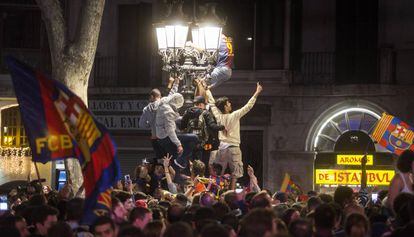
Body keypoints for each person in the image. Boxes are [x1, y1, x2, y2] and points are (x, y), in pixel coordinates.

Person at [206, 82, 263, 189]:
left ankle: (214, 192)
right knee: (234, 176)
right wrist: (257, 92)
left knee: (217, 174)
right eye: (228, 103)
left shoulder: (219, 116)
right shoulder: (234, 115)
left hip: (221, 149)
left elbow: (212, 104)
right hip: (233, 148)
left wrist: (207, 90)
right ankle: (230, 195)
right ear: (225, 106)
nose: (230, 104)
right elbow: (248, 106)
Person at [155, 93, 198, 170]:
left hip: (161, 136)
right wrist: (179, 145)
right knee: (194, 137)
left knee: (182, 149)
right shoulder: (168, 112)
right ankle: (181, 160)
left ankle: (180, 162)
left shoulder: (165, 101)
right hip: (166, 137)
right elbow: (170, 131)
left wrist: (176, 82)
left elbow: (172, 92)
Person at [139, 77, 179, 159]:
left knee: (160, 162)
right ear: (159, 96)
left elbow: (142, 125)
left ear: (152, 96)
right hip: (166, 138)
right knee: (170, 160)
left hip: (155, 139)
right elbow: (172, 94)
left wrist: (150, 124)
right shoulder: (164, 103)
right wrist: (176, 83)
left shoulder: (146, 109)